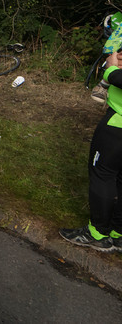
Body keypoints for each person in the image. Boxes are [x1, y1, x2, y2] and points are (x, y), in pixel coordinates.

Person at [60, 46, 122, 251]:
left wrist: (111, 70)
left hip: (118, 124)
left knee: (102, 174)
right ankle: (118, 233)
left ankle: (97, 234)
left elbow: (115, 73)